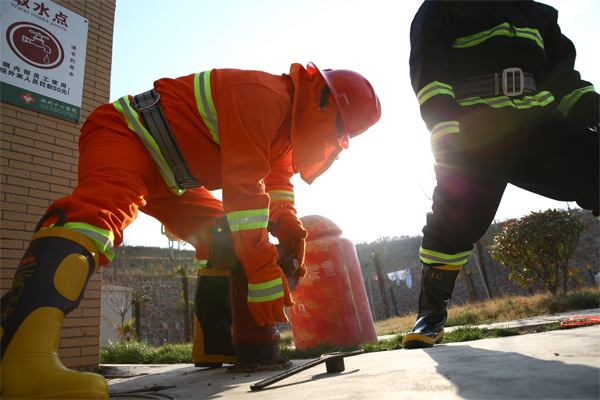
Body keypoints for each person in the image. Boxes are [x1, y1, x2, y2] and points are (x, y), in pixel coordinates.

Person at [0, 62, 381, 398]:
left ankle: (216, 344)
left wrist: (289, 222)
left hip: (168, 174)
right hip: (126, 135)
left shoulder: (286, 128)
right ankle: (21, 360)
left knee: (223, 233)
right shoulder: (263, 98)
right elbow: (244, 193)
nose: (336, 144)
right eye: (341, 133)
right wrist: (264, 272)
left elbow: (276, 180)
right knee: (96, 217)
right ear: (323, 103)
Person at [403, 0, 599, 349]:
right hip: (476, 129)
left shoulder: (541, 14)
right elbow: (428, 70)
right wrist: (444, 130)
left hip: (539, 121)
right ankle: (430, 315)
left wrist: (594, 109)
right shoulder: (441, 7)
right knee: (453, 222)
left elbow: (564, 81)